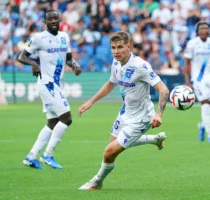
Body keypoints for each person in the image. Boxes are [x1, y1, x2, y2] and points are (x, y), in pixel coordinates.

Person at [77, 31, 169, 190]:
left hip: (141, 118)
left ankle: (97, 182)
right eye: (113, 47)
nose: (116, 51)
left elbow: (164, 90)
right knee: (113, 145)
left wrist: (159, 114)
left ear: (129, 46)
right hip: (125, 112)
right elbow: (111, 83)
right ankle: (154, 140)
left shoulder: (140, 66)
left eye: (120, 47)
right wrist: (91, 101)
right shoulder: (116, 63)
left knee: (108, 153)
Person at [17, 10, 82, 169]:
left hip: (57, 84)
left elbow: (68, 59)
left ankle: (31, 156)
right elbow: (21, 56)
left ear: (59, 20)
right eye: (50, 19)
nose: (53, 21)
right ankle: (48, 154)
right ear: (45, 22)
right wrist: (33, 64)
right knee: (67, 118)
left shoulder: (64, 37)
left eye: (56, 18)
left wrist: (74, 65)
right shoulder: (39, 38)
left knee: (52, 122)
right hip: (47, 83)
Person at [184, 21, 210, 143]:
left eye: (206, 28)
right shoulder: (192, 44)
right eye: (201, 29)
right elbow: (186, 64)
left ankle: (202, 125)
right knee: (205, 103)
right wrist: (187, 82)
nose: (204, 31)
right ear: (197, 31)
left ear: (209, 31)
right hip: (198, 79)